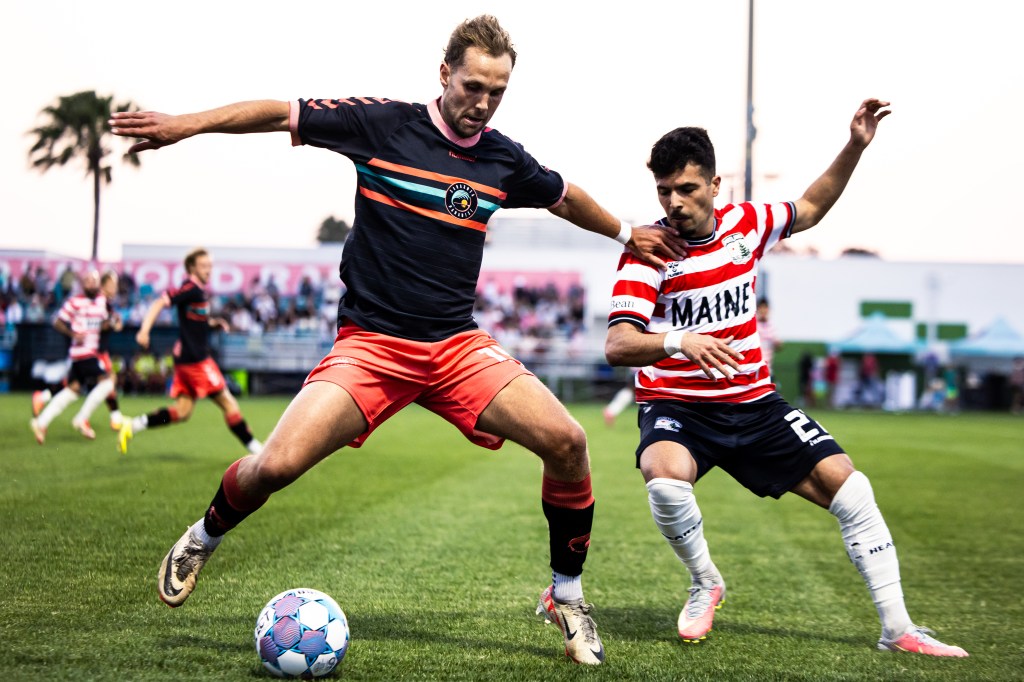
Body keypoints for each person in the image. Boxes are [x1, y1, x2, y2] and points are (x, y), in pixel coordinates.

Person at [110, 15, 687, 666]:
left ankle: (567, 596)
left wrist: (624, 233)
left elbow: (563, 196)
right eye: (473, 86)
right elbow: (280, 111)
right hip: (372, 347)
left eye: (497, 92)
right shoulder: (383, 126)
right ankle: (203, 536)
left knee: (568, 442)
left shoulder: (502, 159)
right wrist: (186, 125)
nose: (483, 102)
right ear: (444, 74)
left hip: (456, 348)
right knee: (274, 466)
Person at [604, 99, 967, 657]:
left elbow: (813, 206)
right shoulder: (647, 253)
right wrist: (680, 340)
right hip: (680, 406)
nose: (674, 203)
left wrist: (855, 146)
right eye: (664, 191)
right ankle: (705, 582)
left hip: (755, 404)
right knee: (664, 479)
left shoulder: (749, 224)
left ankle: (898, 630)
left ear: (715, 185)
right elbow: (619, 345)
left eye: (687, 189)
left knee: (852, 489)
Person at [118, 248, 263, 457]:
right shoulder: (191, 288)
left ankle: (134, 425)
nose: (208, 270)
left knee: (182, 411)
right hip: (196, 361)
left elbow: (195, 320)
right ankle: (258, 451)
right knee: (229, 403)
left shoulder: (198, 292)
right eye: (203, 266)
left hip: (186, 360)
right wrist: (144, 330)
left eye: (210, 266)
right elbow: (160, 302)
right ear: (192, 268)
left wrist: (212, 324)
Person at [30, 270, 118, 443]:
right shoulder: (74, 302)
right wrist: (72, 334)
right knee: (109, 381)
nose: (91, 284)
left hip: (88, 353)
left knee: (73, 390)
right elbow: (57, 321)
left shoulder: (101, 302)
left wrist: (113, 322)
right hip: (83, 352)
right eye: (88, 281)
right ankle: (82, 419)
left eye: (94, 281)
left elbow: (103, 324)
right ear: (82, 284)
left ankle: (41, 422)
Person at [755, 299, 781, 377]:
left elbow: (778, 346)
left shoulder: (772, 326)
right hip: (754, 367)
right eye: (761, 308)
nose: (763, 310)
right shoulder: (754, 325)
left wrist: (777, 344)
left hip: (768, 368)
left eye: (765, 308)